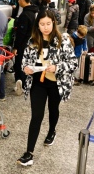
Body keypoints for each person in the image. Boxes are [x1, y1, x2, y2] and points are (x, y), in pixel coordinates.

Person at [17, 10, 77, 166]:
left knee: (53, 109)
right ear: (37, 25)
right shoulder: (32, 41)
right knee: (36, 116)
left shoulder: (62, 40)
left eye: (48, 24)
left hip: (55, 82)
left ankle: (52, 131)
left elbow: (73, 63)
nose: (45, 27)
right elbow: (24, 62)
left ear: (54, 23)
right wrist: (26, 69)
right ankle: (29, 153)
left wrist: (57, 67)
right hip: (38, 83)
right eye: (42, 24)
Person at [12, 0, 39, 96]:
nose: (18, 2)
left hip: (23, 45)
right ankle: (28, 83)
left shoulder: (25, 15)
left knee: (19, 64)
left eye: (18, 0)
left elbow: (21, 34)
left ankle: (21, 85)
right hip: (32, 43)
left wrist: (15, 47)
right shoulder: (35, 12)